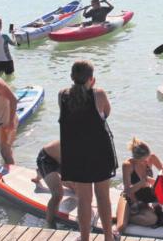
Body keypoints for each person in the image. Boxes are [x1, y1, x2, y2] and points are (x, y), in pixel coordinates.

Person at [59, 60, 117, 241]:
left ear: (71, 77)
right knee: (103, 197)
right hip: (99, 152)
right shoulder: (98, 94)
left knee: (84, 200)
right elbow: (106, 113)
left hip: (76, 154)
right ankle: (108, 237)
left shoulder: (62, 95)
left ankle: (84, 238)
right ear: (92, 79)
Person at [115, 138, 163, 234]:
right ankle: (124, 217)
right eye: (143, 160)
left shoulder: (151, 158)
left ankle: (128, 216)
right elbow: (127, 190)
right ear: (136, 159)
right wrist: (142, 183)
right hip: (130, 198)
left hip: (144, 198)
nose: (146, 162)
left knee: (153, 219)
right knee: (121, 227)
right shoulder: (127, 165)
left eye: (147, 159)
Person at [31, 140, 74, 228]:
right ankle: (50, 224)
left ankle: (41, 173)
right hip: (46, 159)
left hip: (60, 160)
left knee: (76, 188)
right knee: (58, 194)